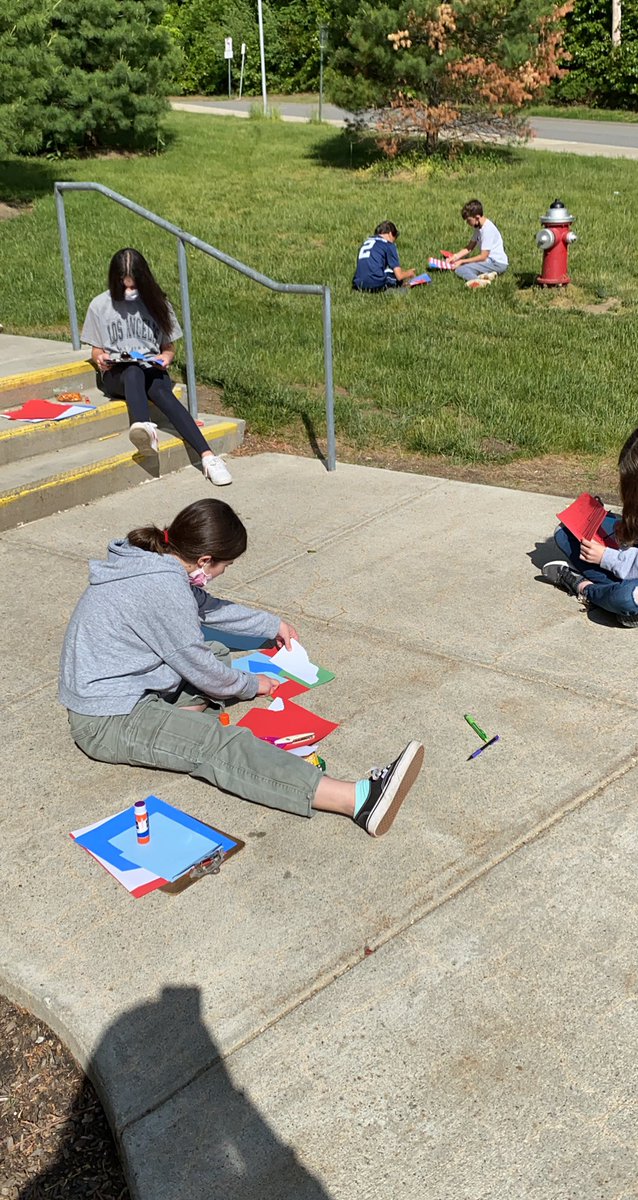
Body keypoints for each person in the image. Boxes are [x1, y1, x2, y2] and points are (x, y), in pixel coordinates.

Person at [59, 497, 425, 836]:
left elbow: (209, 608)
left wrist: (271, 625)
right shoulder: (164, 589)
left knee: (216, 647)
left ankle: (182, 720)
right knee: (219, 745)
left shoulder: (153, 561)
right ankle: (358, 800)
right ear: (204, 560)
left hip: (129, 690)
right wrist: (255, 685)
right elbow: (203, 671)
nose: (223, 572)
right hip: (108, 719)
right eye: (225, 565)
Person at [81, 248, 233, 486]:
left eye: (134, 287)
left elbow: (169, 347)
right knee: (132, 372)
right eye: (124, 287)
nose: (129, 292)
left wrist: (166, 357)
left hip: (151, 369)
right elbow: (96, 349)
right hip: (117, 374)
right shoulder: (100, 305)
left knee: (161, 391)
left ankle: (208, 457)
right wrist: (100, 358)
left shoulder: (157, 302)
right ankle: (143, 428)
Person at [542, 424, 638, 629]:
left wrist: (607, 558)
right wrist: (601, 521)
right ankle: (615, 596)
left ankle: (585, 587)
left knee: (628, 597)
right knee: (565, 533)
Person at [443, 199, 509, 289]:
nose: (468, 223)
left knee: (461, 269)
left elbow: (483, 256)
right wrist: (455, 257)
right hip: (490, 261)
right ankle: (486, 276)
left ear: (477, 218)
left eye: (469, 221)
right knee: (464, 264)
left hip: (496, 263)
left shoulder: (487, 230)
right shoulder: (478, 228)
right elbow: (470, 247)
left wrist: (462, 261)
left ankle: (478, 281)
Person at [352, 221, 417, 293]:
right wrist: (409, 273)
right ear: (390, 234)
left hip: (358, 283)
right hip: (375, 282)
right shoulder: (388, 245)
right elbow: (399, 276)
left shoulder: (365, 242)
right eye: (395, 235)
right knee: (397, 278)